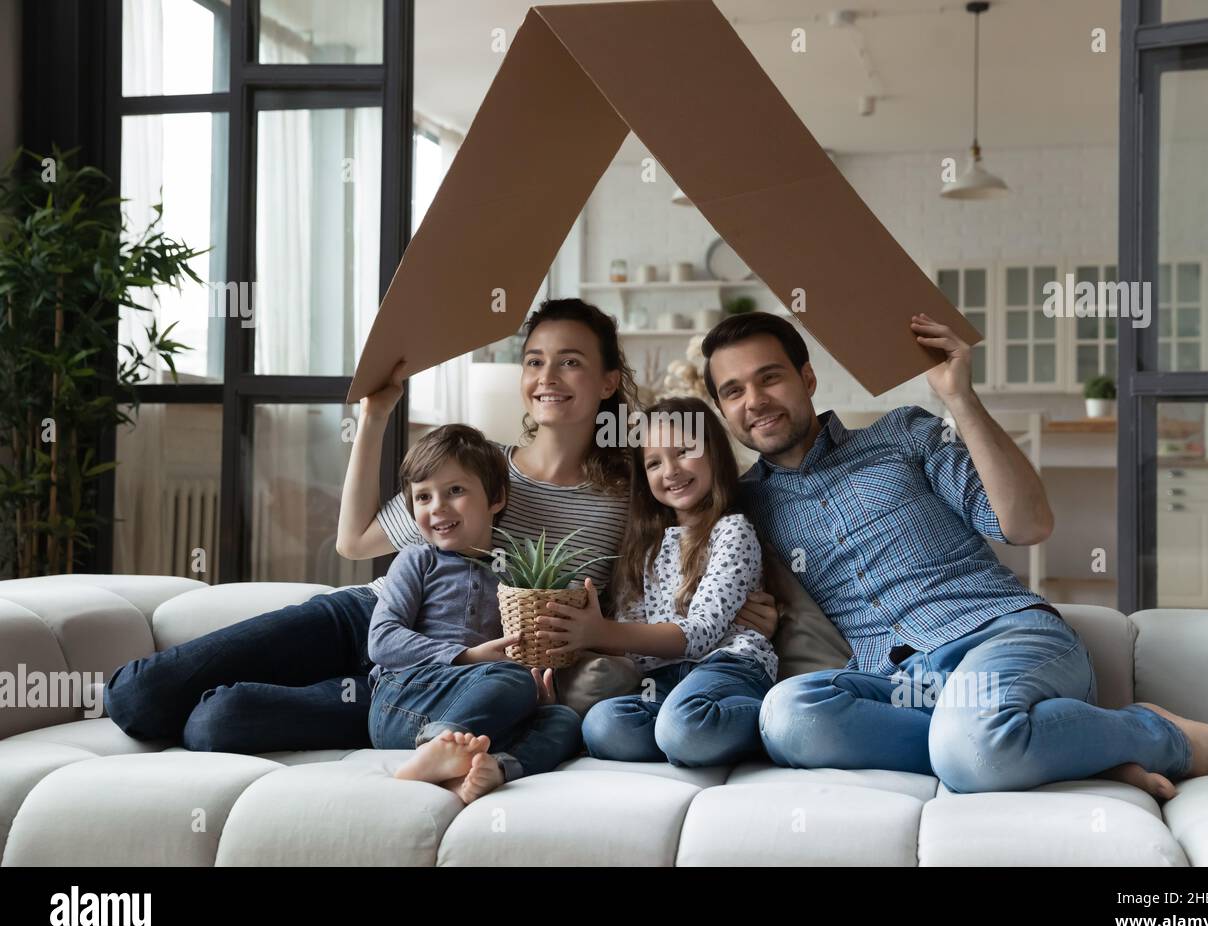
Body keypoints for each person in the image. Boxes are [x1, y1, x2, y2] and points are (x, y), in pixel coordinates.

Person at [105, 298, 779, 753]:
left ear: (607, 381)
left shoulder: (632, 491)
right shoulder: (481, 468)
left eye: (570, 360)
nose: (548, 375)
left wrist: (749, 609)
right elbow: (356, 542)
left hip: (447, 675)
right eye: (536, 359)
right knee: (140, 696)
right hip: (370, 619)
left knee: (216, 721)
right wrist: (373, 419)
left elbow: (708, 514)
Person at [699, 310, 1208, 798]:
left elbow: (1027, 524)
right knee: (787, 718)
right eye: (733, 391)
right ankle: (1049, 746)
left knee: (969, 747)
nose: (755, 401)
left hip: (1000, 634)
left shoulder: (904, 434)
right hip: (896, 679)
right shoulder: (743, 507)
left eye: (769, 378)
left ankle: (1155, 734)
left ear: (807, 376)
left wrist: (959, 397)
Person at [543, 397, 776, 766]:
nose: (670, 470)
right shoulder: (645, 547)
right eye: (654, 462)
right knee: (602, 726)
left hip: (727, 666)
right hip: (664, 680)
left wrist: (601, 632)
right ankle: (691, 736)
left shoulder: (732, 531)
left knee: (684, 723)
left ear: (713, 452)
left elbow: (701, 633)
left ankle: (765, 719)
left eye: (684, 450)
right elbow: (634, 638)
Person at [367, 424, 581, 803]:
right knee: (510, 678)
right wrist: (466, 657)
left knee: (562, 719)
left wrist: (538, 695)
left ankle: (489, 769)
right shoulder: (416, 560)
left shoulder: (514, 574)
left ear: (496, 498)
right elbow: (382, 640)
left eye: (455, 491)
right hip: (402, 703)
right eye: (423, 497)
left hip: (479, 713)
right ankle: (438, 744)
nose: (438, 508)